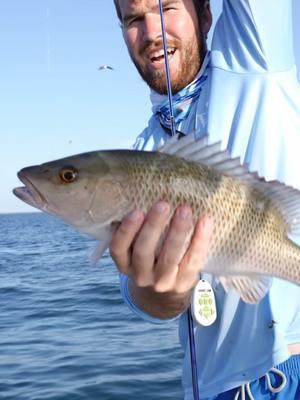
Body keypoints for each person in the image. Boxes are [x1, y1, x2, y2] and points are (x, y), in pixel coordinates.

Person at [111, 0, 300, 398]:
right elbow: (141, 298)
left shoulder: (255, 58)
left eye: (167, 7)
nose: (152, 32)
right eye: (133, 19)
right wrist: (163, 292)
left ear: (207, 15)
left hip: (284, 378)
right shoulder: (144, 149)